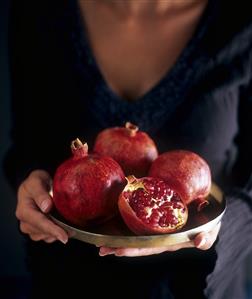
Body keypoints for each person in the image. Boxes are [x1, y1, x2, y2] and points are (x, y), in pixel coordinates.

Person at [4, 0, 252, 298]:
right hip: (69, 283)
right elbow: (26, 146)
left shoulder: (242, 22)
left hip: (196, 286)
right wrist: (31, 192)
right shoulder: (40, 12)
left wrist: (221, 226)